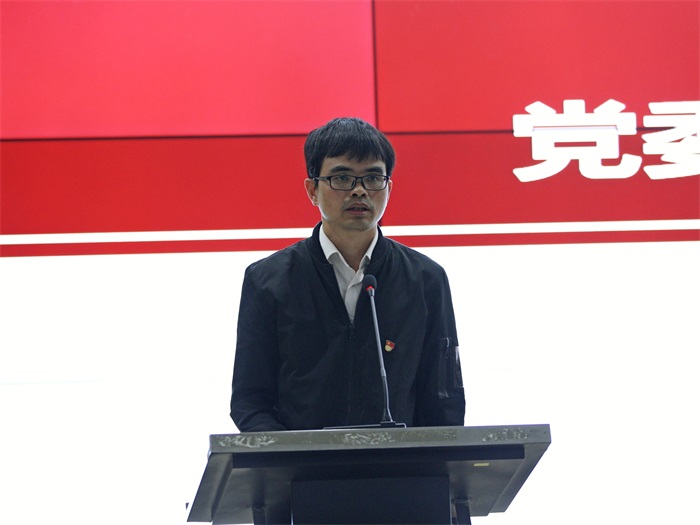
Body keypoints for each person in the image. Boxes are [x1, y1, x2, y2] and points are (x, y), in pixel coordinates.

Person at [230, 117, 464, 431]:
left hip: (399, 461)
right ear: (312, 190)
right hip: (300, 462)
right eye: (342, 178)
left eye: (373, 178)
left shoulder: (425, 279)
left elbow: (444, 402)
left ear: (389, 188)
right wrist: (291, 456)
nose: (359, 191)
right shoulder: (267, 281)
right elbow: (250, 402)